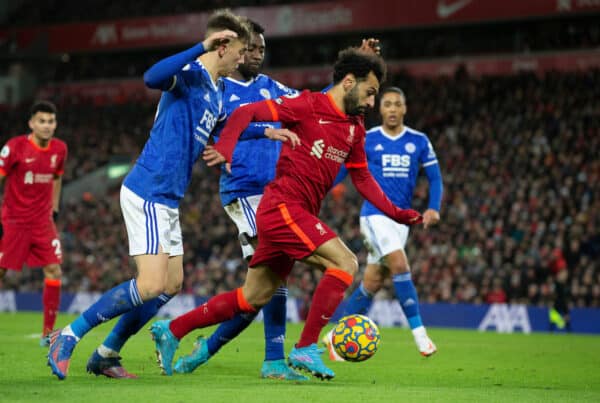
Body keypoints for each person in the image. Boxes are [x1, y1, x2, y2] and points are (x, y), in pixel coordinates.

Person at [150, 48, 423, 380]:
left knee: (252, 297)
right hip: (282, 207)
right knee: (346, 263)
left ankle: (173, 328)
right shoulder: (308, 105)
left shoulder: (354, 128)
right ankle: (305, 348)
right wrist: (226, 147)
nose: (371, 102)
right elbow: (245, 113)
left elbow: (362, 177)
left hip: (294, 212)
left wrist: (395, 212)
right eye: (369, 92)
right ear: (349, 82)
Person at [46, 10, 252, 381]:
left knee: (170, 285)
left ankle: (106, 354)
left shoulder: (218, 93)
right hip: (149, 188)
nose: (243, 58)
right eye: (240, 50)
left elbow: (226, 135)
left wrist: (267, 134)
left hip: (168, 197)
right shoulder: (189, 76)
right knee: (151, 284)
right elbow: (152, 77)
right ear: (222, 47)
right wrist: (199, 47)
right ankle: (69, 335)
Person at [171, 19, 307, 381]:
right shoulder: (220, 89)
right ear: (236, 49)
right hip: (244, 191)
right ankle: (274, 360)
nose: (257, 55)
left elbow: (313, 104)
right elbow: (221, 130)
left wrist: (343, 86)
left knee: (260, 289)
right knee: (272, 278)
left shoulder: (271, 88)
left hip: (276, 192)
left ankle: (200, 345)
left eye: (262, 50)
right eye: (250, 49)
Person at [322, 87, 443, 361]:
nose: (391, 109)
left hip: (401, 221)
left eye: (396, 104)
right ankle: (421, 336)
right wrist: (320, 188)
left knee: (374, 281)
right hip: (374, 215)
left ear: (404, 109)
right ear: (381, 109)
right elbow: (343, 170)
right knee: (400, 265)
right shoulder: (367, 138)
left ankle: (333, 337)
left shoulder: (419, 141)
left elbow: (435, 178)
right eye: (386, 104)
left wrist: (433, 208)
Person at [0, 100, 67, 347]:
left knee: (54, 270)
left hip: (42, 222)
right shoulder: (14, 148)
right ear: (31, 123)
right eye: (42, 121)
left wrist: (55, 208)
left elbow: (57, 178)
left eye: (50, 121)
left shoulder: (59, 149)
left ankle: (47, 333)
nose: (47, 126)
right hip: (14, 221)